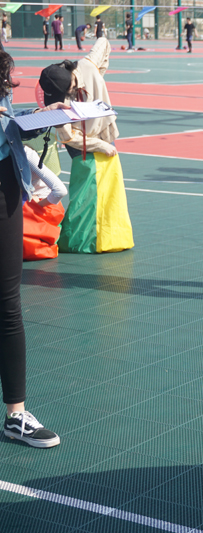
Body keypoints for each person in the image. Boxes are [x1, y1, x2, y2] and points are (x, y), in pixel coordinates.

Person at [0, 51, 66, 448]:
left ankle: (15, 415)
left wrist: (39, 116)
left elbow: (6, 126)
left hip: (5, 187)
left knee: (8, 303)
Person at [38, 37, 134, 254]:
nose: (67, 95)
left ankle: (108, 236)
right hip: (83, 144)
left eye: (69, 88)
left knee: (109, 190)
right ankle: (80, 239)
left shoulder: (88, 66)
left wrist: (99, 73)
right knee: (86, 192)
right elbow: (68, 137)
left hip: (104, 134)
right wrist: (99, 145)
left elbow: (104, 42)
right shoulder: (59, 103)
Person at [21, 145, 67, 261]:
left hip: (42, 208)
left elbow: (60, 190)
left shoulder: (27, 154)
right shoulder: (7, 153)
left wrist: (36, 206)